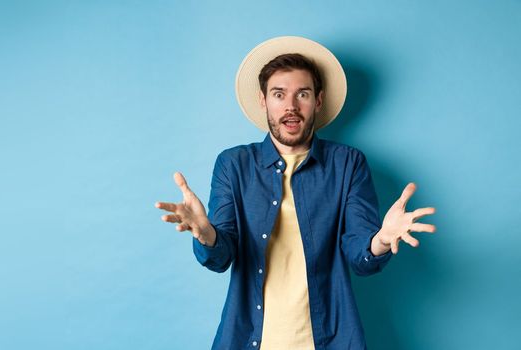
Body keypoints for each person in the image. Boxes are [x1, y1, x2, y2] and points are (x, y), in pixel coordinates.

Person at [154, 36, 437, 350]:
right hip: (248, 340)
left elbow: (361, 258)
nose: (290, 106)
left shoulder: (348, 164)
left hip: (330, 339)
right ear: (263, 101)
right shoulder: (234, 164)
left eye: (302, 94)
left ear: (317, 101)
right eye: (279, 94)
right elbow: (221, 258)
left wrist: (382, 239)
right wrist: (206, 233)